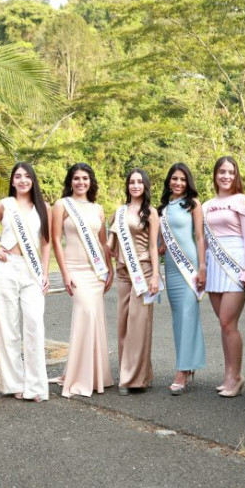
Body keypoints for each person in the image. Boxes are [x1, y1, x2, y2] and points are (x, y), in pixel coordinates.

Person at [0, 162, 52, 403]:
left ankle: (35, 386)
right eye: (18, 176)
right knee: (7, 328)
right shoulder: (5, 205)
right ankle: (14, 384)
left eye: (27, 176)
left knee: (34, 325)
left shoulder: (44, 208)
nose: (22, 180)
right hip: (6, 267)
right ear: (12, 181)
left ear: (33, 180)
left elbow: (45, 243)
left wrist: (44, 273)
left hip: (32, 271)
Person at [51, 162, 114, 397]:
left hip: (95, 272)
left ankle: (96, 375)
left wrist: (110, 270)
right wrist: (65, 273)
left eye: (85, 179)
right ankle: (79, 377)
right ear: (70, 181)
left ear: (91, 182)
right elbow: (56, 240)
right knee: (85, 313)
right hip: (75, 269)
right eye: (76, 178)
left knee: (95, 319)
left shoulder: (98, 208)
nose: (80, 182)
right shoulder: (62, 205)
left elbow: (103, 243)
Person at [202, 157, 245, 397]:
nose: (226, 176)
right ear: (215, 175)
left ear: (236, 176)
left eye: (231, 172)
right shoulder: (206, 204)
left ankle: (237, 376)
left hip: (235, 263)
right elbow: (203, 239)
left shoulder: (240, 200)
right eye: (222, 172)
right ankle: (229, 376)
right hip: (214, 264)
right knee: (224, 325)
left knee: (228, 321)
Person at [108, 169, 160, 396]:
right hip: (122, 272)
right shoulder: (119, 212)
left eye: (140, 182)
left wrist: (156, 275)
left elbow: (152, 247)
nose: (135, 185)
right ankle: (128, 372)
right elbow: (109, 244)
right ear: (127, 186)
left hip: (144, 272)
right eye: (132, 182)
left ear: (145, 185)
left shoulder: (151, 212)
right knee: (123, 324)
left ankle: (133, 379)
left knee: (139, 326)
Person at [158, 163, 207, 395]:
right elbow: (163, 240)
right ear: (169, 181)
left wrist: (203, 267)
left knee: (188, 315)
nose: (178, 183)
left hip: (190, 267)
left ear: (188, 182)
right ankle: (186, 365)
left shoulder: (193, 204)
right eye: (174, 178)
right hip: (171, 267)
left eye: (182, 179)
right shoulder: (164, 208)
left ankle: (182, 370)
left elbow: (199, 237)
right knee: (179, 318)